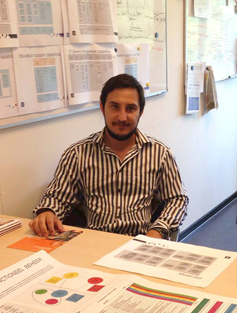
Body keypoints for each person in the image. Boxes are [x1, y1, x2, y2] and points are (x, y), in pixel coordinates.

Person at [30, 74, 189, 239]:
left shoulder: (160, 154)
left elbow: (178, 199)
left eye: (130, 108)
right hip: (96, 241)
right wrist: (48, 212)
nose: (122, 117)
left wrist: (159, 230)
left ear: (141, 112)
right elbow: (57, 197)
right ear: (102, 107)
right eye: (114, 107)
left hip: (140, 241)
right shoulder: (78, 154)